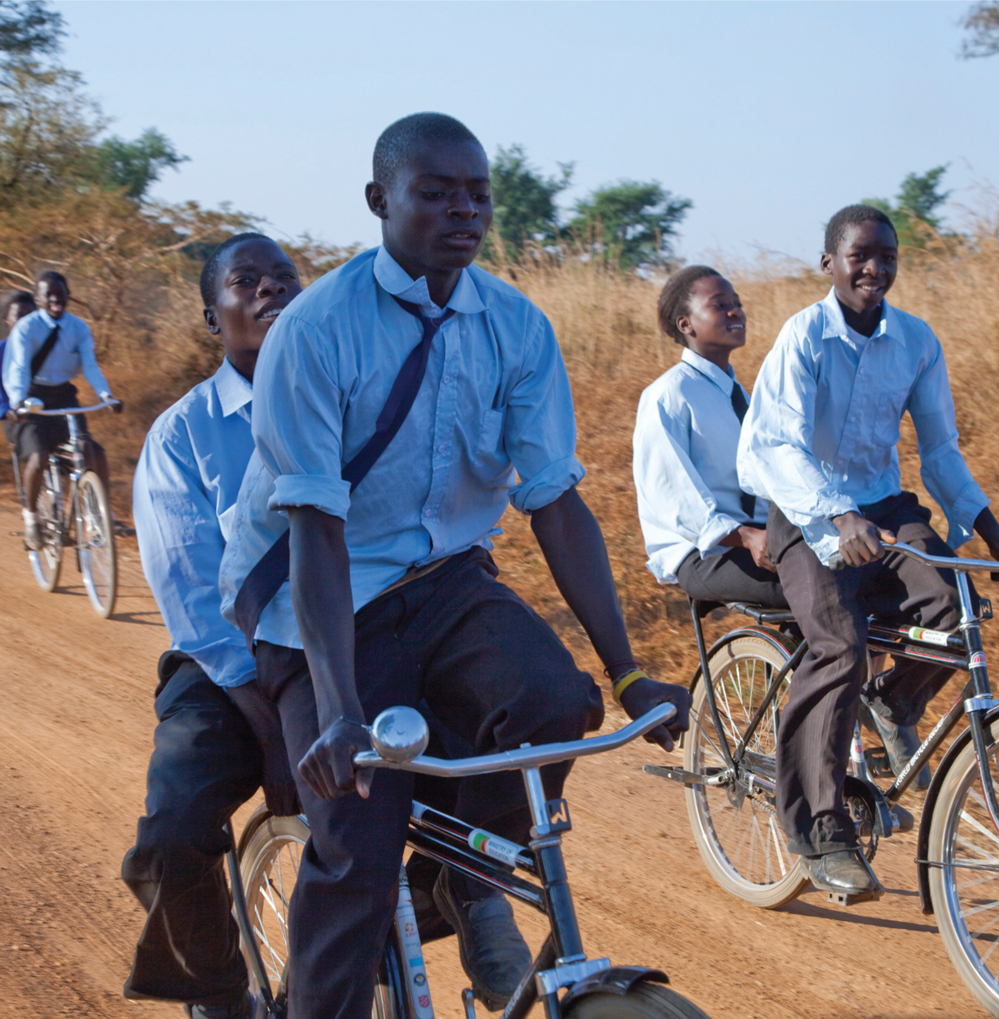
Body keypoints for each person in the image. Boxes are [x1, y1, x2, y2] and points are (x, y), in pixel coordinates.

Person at [219, 112, 689, 1019]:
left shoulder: (514, 325)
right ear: (379, 201)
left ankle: (459, 880)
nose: (462, 210)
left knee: (555, 703)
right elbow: (316, 528)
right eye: (434, 192)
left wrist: (629, 674)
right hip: (316, 600)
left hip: (443, 584)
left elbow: (552, 498)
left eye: (477, 193)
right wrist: (344, 710)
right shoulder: (315, 332)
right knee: (356, 838)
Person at [737, 204, 999, 899]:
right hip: (809, 511)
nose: (875, 268)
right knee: (838, 645)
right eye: (859, 256)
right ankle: (820, 829)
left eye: (887, 256)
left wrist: (995, 534)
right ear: (829, 264)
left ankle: (892, 703)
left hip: (883, 508)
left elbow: (939, 450)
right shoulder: (804, 335)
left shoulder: (915, 340)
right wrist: (837, 515)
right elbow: (770, 448)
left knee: (954, 607)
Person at [123, 233, 304, 1019]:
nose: (271, 288)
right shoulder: (181, 436)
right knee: (175, 834)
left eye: (286, 277)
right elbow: (196, 601)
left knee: (489, 759)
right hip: (229, 668)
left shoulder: (357, 407)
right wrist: (269, 719)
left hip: (357, 640)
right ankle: (222, 996)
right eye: (247, 279)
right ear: (211, 315)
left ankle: (474, 914)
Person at [632, 265, 785, 609]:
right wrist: (746, 537)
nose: (736, 311)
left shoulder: (741, 395)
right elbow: (674, 497)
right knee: (820, 591)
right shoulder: (668, 395)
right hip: (705, 552)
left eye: (738, 302)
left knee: (856, 571)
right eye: (719, 305)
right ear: (685, 324)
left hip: (758, 538)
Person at [2, 270, 123, 550]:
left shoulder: (78, 327)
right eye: (49, 295)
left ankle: (100, 516)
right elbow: (18, 368)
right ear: (39, 299)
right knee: (39, 455)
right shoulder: (26, 328)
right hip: (32, 395)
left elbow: (90, 365)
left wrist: (106, 395)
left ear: (68, 295)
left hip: (64, 394)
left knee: (91, 450)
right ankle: (32, 519)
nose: (56, 299)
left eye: (61, 293)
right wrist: (19, 402)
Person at [0, 289, 36, 421]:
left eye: (31, 316)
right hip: (18, 417)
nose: (26, 322)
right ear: (7, 319)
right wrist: (5, 410)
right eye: (19, 316)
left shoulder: (49, 347)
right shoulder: (1, 350)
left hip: (52, 412)